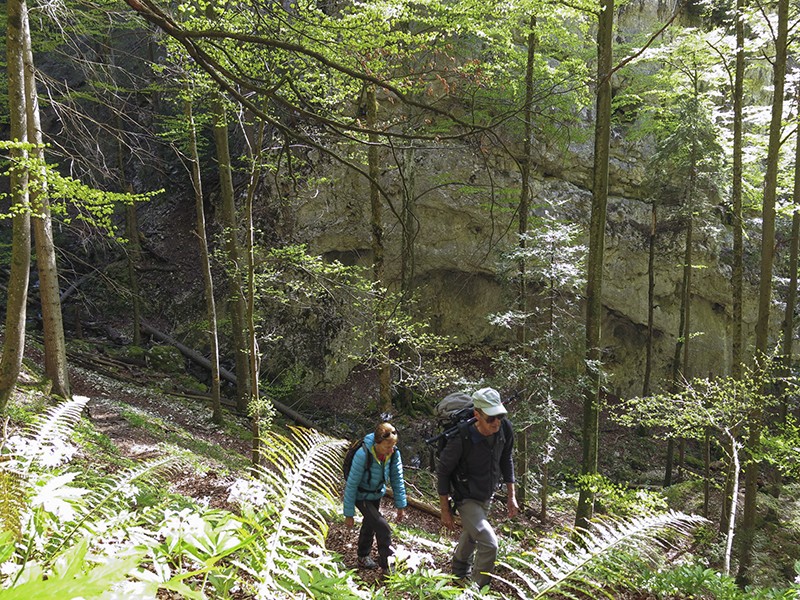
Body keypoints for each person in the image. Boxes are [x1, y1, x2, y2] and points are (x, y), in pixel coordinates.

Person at [437, 387, 518, 589]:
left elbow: (506, 460)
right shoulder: (461, 438)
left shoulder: (504, 429)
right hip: (465, 496)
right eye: (491, 418)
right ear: (477, 415)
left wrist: (511, 496)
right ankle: (477, 590)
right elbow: (443, 472)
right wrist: (445, 510)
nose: (497, 422)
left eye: (499, 416)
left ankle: (459, 570)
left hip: (487, 492)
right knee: (489, 543)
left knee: (473, 533)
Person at [343, 422, 407, 576]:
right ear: (378, 443)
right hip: (361, 495)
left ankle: (363, 556)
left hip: (376, 493)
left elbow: (397, 479)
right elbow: (351, 484)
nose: (390, 449)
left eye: (393, 445)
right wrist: (349, 513)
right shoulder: (363, 454)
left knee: (370, 525)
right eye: (387, 446)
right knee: (383, 527)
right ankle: (387, 566)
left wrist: (400, 505)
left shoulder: (393, 453)